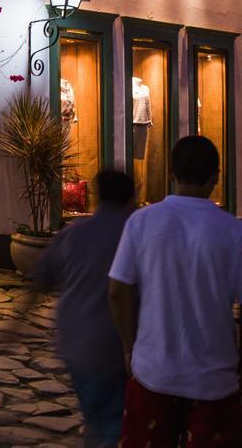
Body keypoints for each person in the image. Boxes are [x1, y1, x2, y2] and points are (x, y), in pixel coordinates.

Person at [109, 136, 242, 448]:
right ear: (215, 177)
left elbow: (117, 290)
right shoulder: (234, 232)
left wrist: (129, 347)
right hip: (214, 377)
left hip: (153, 371)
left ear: (170, 173)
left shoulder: (142, 222)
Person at [30, 170, 135, 447]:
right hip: (119, 343)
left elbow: (40, 277)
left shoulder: (73, 234)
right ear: (131, 198)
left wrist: (15, 323)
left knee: (98, 416)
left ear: (96, 196)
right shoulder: (135, 234)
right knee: (112, 419)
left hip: (78, 341)